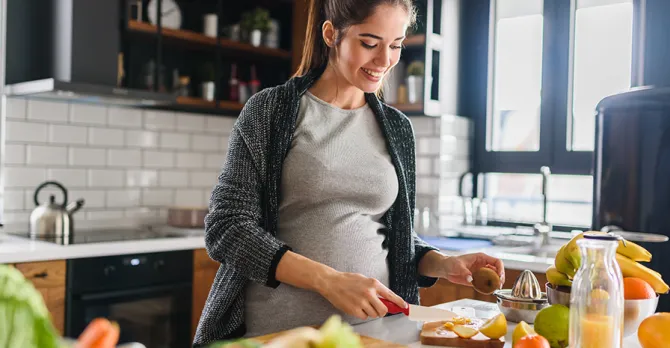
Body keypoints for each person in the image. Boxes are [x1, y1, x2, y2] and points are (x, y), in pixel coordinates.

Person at [193, 0, 505, 345]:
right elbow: (227, 228)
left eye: (396, 45)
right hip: (281, 334)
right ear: (331, 34)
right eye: (369, 43)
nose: (384, 60)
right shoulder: (272, 111)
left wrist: (442, 264)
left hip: (373, 334)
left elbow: (393, 240)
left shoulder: (397, 128)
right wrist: (329, 281)